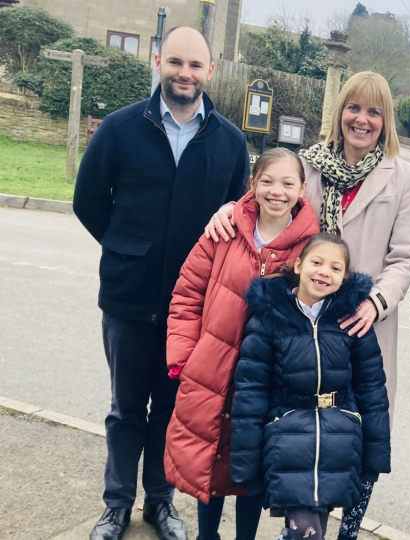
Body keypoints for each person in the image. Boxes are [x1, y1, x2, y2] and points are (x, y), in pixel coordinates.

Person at [206, 71, 410, 539]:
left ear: (385, 121)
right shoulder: (311, 165)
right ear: (339, 113)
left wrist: (374, 303)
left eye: (373, 111)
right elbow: (267, 198)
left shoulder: (407, 178)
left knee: (356, 440)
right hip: (303, 330)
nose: (361, 120)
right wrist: (230, 209)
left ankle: (345, 531)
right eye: (353, 108)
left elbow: (405, 258)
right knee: (304, 442)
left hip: (363, 326)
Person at [73, 26, 250, 540]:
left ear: (210, 71)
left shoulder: (231, 142)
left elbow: (238, 215)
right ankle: (116, 505)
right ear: (157, 61)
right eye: (175, 62)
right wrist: (125, 248)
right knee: (126, 409)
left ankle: (161, 503)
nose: (184, 74)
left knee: (173, 411)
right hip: (129, 300)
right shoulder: (121, 128)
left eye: (195, 65)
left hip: (193, 307)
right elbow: (89, 200)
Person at [164, 149, 319, 540]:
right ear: (253, 184)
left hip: (267, 383)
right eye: (267, 181)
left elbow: (317, 318)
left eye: (288, 183)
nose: (276, 192)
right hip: (211, 373)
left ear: (302, 189)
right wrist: (184, 358)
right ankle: (206, 535)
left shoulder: (311, 249)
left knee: (250, 466)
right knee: (210, 459)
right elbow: (188, 293)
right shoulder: (223, 231)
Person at [229, 233, 392, 540]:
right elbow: (251, 394)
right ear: (300, 265)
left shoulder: (351, 321)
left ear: (344, 277)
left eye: (334, 268)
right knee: (307, 532)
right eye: (317, 262)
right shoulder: (269, 318)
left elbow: (372, 391)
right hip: (288, 443)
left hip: (339, 446)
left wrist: (374, 457)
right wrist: (247, 465)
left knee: (313, 530)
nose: (323, 272)